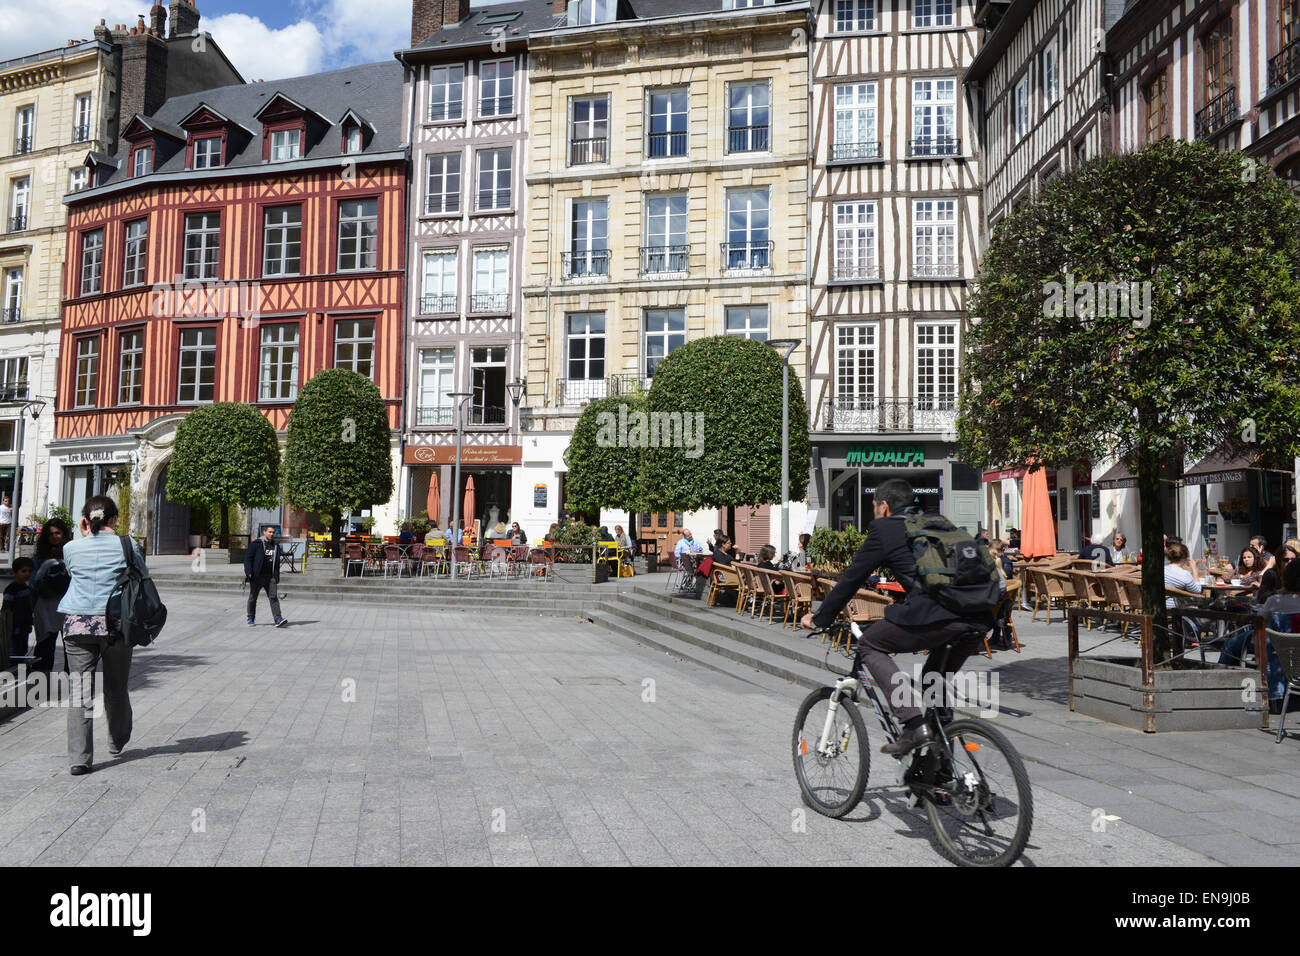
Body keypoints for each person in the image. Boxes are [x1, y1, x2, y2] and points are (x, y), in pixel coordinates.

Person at [801, 478, 990, 756]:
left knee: (870, 645)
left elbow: (853, 577)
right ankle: (939, 767)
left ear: (884, 506)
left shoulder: (885, 528)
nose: (875, 512)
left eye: (875, 507)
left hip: (936, 613)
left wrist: (820, 618)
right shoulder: (938, 523)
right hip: (978, 616)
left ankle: (913, 724)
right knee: (931, 677)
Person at [58, 495, 147, 775]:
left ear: (85, 519)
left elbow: (74, 573)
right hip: (116, 625)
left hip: (77, 624)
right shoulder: (127, 544)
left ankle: (79, 759)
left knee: (80, 692)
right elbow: (143, 575)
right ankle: (117, 740)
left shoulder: (71, 548)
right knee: (116, 687)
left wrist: (86, 537)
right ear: (113, 519)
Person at [1221, 560, 1300, 713]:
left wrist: (1279, 593)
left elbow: (1259, 622)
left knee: (1232, 643)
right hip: (1294, 651)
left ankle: (1220, 684)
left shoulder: (1275, 601)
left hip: (1276, 648)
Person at [30, 518, 71, 674]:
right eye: (51, 534)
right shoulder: (39, 558)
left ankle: (72, 688)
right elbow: (33, 584)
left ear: (64, 534)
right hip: (46, 609)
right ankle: (39, 688)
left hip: (68, 609)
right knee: (44, 649)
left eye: (58, 533)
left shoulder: (71, 554)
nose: (54, 536)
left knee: (72, 652)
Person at [244, 525, 288, 627]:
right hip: (257, 576)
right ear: (265, 532)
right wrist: (249, 572)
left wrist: (276, 576)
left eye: (273, 532)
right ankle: (251, 617)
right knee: (253, 597)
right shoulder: (256, 544)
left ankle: (278, 619)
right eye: (270, 532)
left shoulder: (276, 545)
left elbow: (276, 563)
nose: (271, 534)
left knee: (273, 597)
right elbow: (247, 558)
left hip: (270, 577)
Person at [4, 557, 34, 660]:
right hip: (13, 627)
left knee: (22, 650)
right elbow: (6, 609)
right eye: (24, 571)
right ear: (15, 572)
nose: (27, 574)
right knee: (13, 651)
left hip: (24, 627)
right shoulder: (11, 589)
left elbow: (27, 608)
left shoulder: (26, 589)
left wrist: (30, 623)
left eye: (30, 571)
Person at [1163, 541, 1202, 609]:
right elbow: (1198, 590)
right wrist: (1194, 569)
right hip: (1176, 608)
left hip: (1160, 606)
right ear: (1185, 558)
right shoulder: (1184, 575)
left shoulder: (1162, 570)